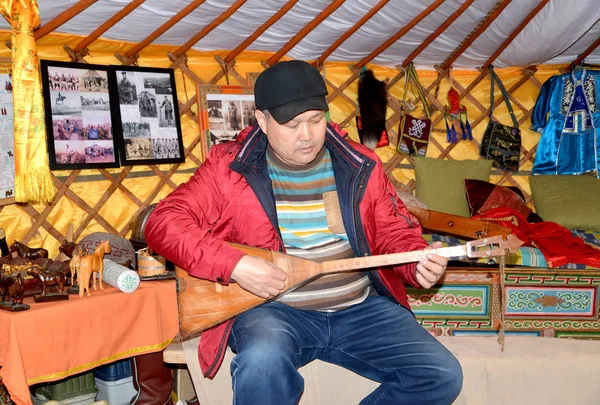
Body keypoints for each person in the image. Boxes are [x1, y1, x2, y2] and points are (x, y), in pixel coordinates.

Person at [145, 60, 463, 405]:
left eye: (316, 120)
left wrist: (415, 262)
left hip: (359, 308)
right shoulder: (230, 169)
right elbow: (163, 222)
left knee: (441, 374)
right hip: (275, 311)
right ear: (263, 121)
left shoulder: (359, 164)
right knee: (261, 364)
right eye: (292, 124)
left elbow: (389, 230)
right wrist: (235, 264)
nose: (308, 135)